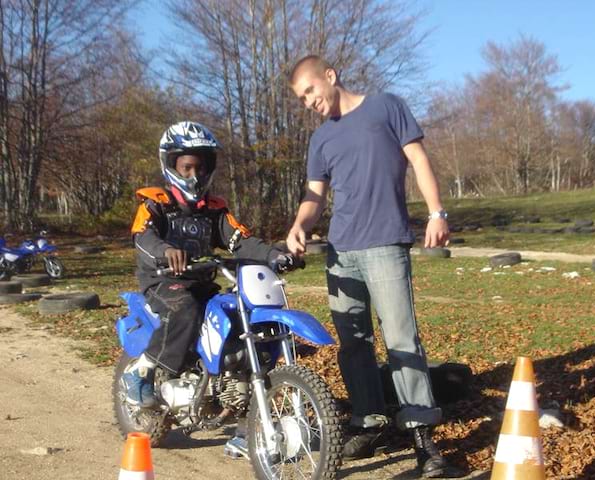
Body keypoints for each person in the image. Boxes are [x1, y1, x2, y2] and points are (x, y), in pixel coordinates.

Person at [287, 56, 460, 478]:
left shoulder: (386, 106)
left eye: (310, 90)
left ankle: (422, 436)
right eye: (301, 98)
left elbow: (418, 159)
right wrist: (298, 226)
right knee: (354, 344)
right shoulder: (321, 140)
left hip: (385, 244)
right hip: (341, 252)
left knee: (402, 337)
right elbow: (315, 196)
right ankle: (370, 421)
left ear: (330, 76)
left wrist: (437, 213)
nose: (308, 101)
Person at [126, 120, 294, 409]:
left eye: (200, 168)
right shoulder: (156, 204)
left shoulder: (215, 210)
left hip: (202, 283)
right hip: (163, 282)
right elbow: (143, 237)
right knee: (186, 308)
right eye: (186, 167)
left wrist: (273, 255)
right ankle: (142, 370)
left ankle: (244, 413)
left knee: (240, 319)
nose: (194, 175)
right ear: (171, 165)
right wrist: (166, 250)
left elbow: (240, 240)